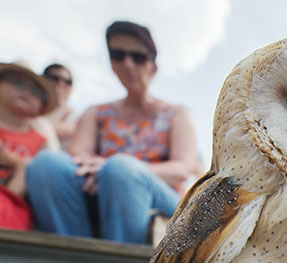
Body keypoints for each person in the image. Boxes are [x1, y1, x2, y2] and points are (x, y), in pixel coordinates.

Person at [26, 20, 197, 244]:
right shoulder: (96, 113)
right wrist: (104, 172)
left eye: (138, 57)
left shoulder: (176, 114)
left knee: (121, 170)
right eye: (118, 55)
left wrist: (116, 169)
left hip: (159, 196)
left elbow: (182, 169)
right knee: (46, 164)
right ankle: (77, 260)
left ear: (153, 67)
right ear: (112, 64)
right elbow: (78, 156)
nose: (128, 64)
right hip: (100, 188)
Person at [0, 63, 59, 230]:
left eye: (36, 92)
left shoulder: (42, 142)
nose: (26, 91)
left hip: (14, 208)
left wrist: (19, 164)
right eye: (16, 82)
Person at [41, 63, 76, 147]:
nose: (61, 84)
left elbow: (75, 129)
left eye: (68, 82)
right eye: (55, 78)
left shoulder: (75, 115)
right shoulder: (31, 107)